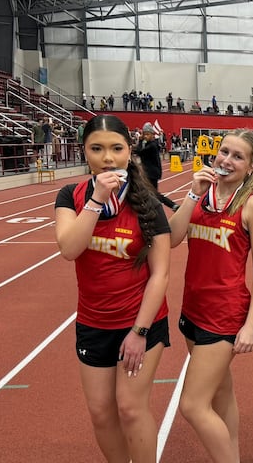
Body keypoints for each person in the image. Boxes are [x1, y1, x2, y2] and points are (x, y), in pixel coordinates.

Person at [53, 114, 171, 463]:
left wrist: (139, 331)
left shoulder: (147, 203)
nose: (107, 158)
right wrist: (95, 199)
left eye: (116, 148)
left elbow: (161, 274)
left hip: (141, 322)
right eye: (97, 149)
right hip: (93, 323)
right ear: (84, 152)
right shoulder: (69, 196)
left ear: (129, 151)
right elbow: (69, 249)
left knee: (131, 409)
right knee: (102, 414)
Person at [168, 129, 253, 462]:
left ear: (251, 166)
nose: (227, 160)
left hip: (224, 315)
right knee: (222, 393)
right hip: (193, 309)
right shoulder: (202, 196)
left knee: (193, 405)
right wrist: (192, 194)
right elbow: (172, 237)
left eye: (238, 156)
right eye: (224, 152)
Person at [134, 123, 178, 211]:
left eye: (147, 134)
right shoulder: (147, 143)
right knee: (149, 192)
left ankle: (171, 205)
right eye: (144, 134)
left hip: (152, 173)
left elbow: (139, 152)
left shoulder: (153, 145)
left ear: (152, 135)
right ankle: (168, 206)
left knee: (152, 193)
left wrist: (140, 141)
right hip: (147, 172)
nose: (145, 136)